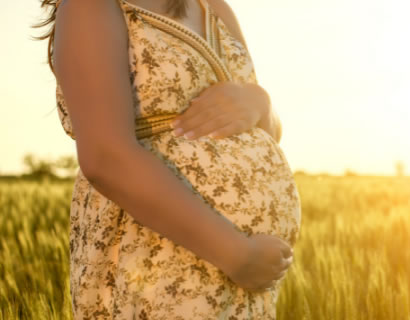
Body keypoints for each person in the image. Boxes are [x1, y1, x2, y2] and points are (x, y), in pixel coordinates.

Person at [36, 0, 302, 318]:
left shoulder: (214, 8)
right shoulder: (91, 7)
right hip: (161, 253)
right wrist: (236, 254)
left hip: (245, 275)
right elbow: (106, 157)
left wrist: (259, 103)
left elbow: (267, 134)